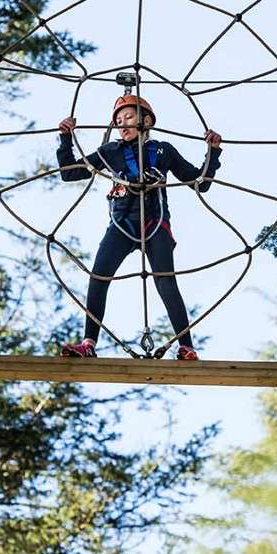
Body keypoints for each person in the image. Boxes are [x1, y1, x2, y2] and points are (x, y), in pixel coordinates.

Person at [55, 92, 223, 359]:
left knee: (166, 282)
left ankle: (186, 345)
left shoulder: (162, 150)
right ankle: (89, 343)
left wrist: (212, 153)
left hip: (155, 224)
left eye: (129, 117)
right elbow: (69, 173)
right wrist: (65, 138)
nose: (122, 124)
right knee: (98, 277)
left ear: (146, 120)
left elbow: (199, 182)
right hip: (122, 224)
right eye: (119, 120)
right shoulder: (111, 151)